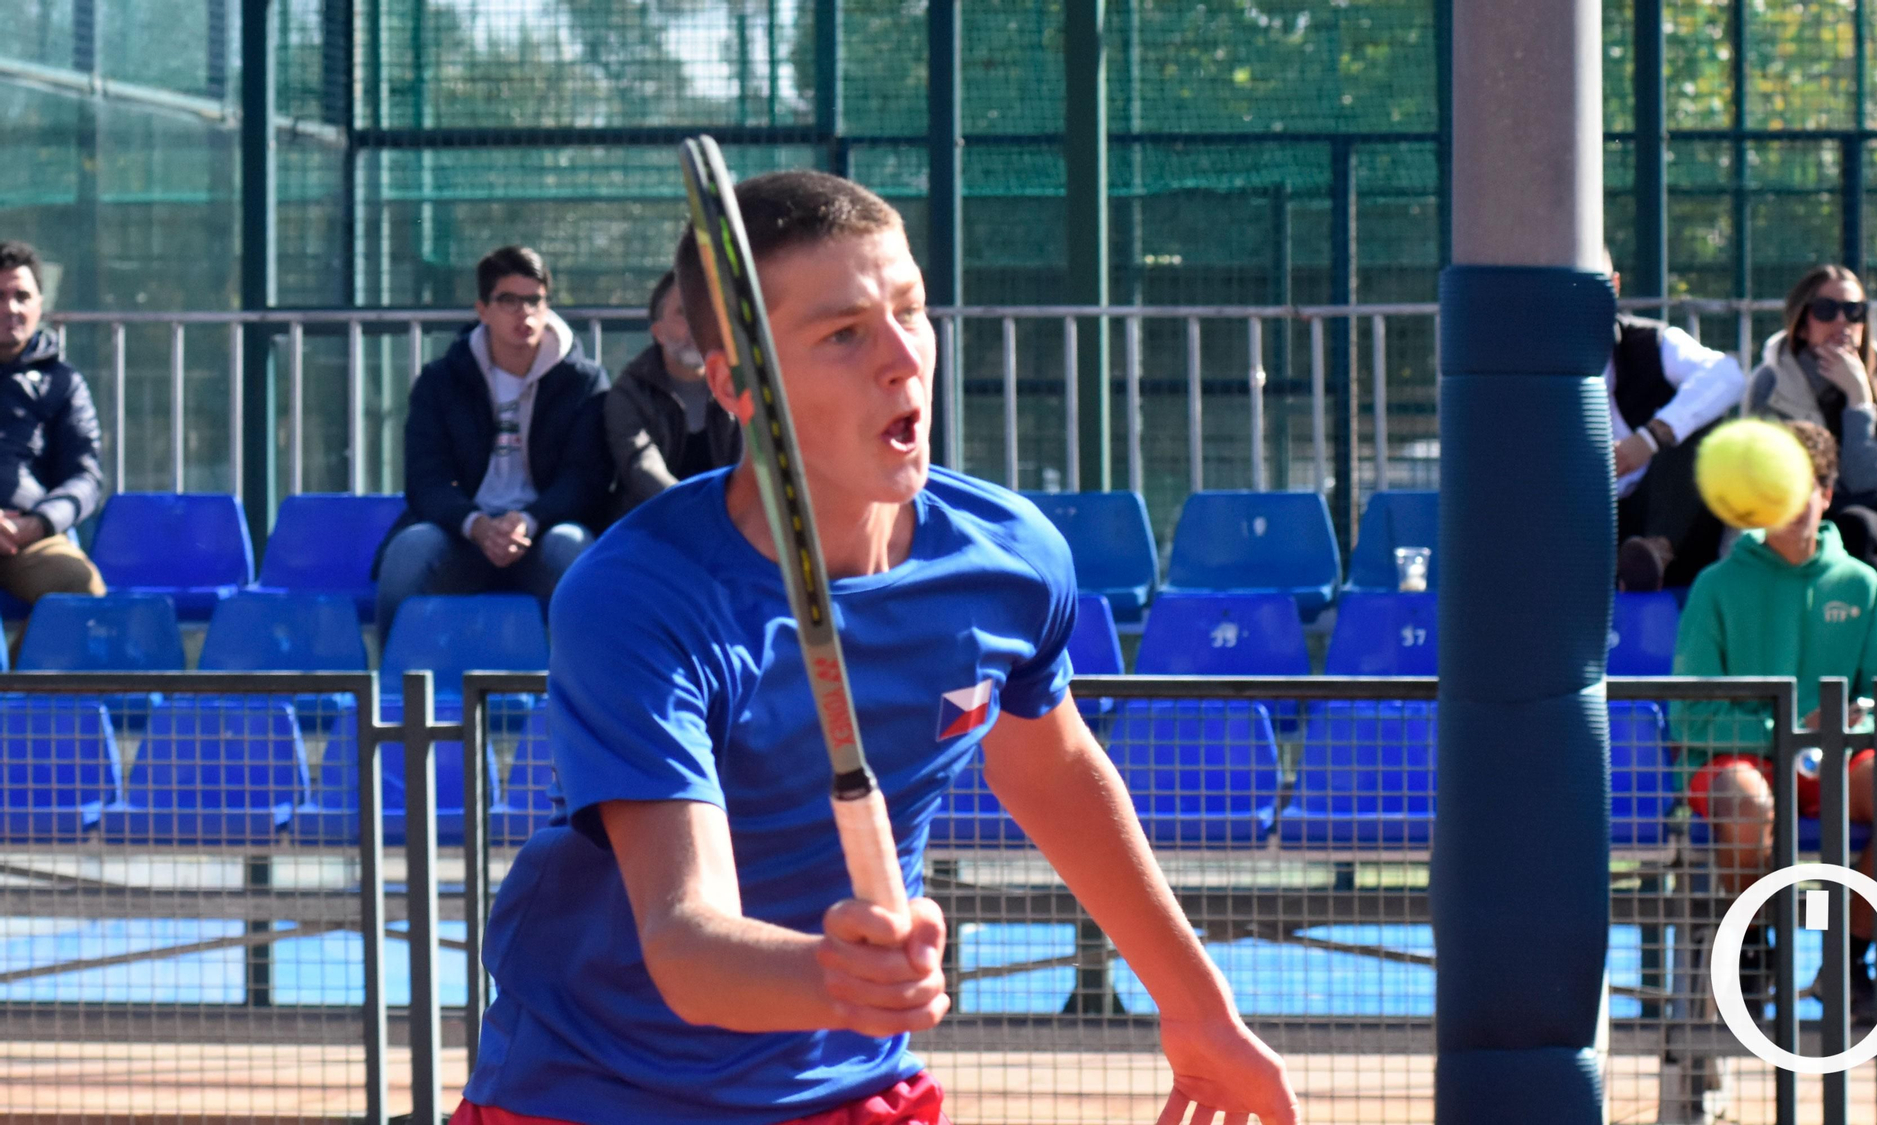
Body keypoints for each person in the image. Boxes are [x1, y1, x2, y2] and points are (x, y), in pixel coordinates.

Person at [449, 172, 1299, 1125]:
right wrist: (837, 975)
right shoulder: (633, 597)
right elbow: (685, 941)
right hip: (593, 1095)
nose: (904, 359)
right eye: (843, 333)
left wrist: (1200, 1009)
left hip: (854, 1090)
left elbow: (1052, 768)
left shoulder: (1012, 560)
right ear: (732, 382)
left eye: (911, 310)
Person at [1671, 420, 1877, 1019]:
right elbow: (1689, 715)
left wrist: (1843, 727)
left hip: (1836, 759)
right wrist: (1789, 733)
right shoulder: (1716, 585)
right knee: (1747, 805)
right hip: (1743, 765)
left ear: (1827, 492)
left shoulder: (1862, 584)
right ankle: (1751, 949)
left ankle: (1848, 960)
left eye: (1801, 486)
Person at [374, 246, 612, 635]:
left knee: (575, 550)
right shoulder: (441, 381)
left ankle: (586, 687)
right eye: (508, 301)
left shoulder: (583, 381)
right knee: (409, 552)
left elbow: (586, 477)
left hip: (544, 531)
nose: (525, 313)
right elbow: (426, 479)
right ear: (482, 310)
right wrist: (477, 524)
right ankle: (392, 688)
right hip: (461, 534)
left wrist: (529, 520)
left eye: (535, 300)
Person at [1747, 264, 1877, 591]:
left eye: (1854, 311)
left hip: (1875, 517)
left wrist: (1859, 397)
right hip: (1801, 517)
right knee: (1858, 540)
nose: (1842, 322)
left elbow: (1869, 480)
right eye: (1826, 310)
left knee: (1858, 525)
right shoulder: (1770, 383)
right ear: (1802, 324)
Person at [1602, 250, 1745, 591]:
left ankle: (1654, 553)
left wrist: (1650, 438)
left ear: (1615, 285)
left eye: (1594, 284)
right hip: (1577, 520)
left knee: (1701, 424)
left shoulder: (1652, 341)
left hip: (1666, 520)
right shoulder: (1526, 365)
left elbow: (1728, 375)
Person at [0, 241, 106, 606]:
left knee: (80, 587)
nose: (10, 308)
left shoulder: (63, 383)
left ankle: (20, 666)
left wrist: (40, 522)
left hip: (27, 537)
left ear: (40, 304)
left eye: (21, 295)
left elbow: (86, 477)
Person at [605, 269, 742, 520]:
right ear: (658, 332)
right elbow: (642, 467)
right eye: (684, 313)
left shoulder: (741, 386)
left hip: (730, 525)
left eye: (706, 313)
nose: (697, 325)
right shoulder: (629, 392)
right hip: (652, 527)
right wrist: (698, 514)